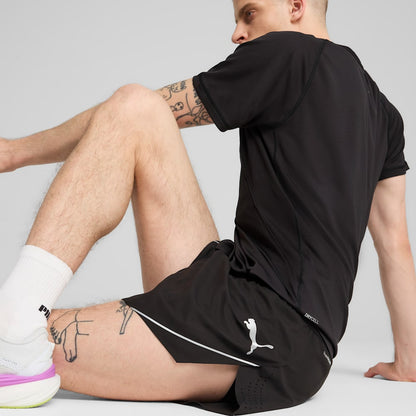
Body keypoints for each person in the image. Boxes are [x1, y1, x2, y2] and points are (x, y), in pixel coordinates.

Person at [0, 0, 415, 414]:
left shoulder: (288, 51)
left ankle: (14, 331)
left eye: (249, 13)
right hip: (249, 303)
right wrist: (409, 360)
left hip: (265, 327)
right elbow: (395, 247)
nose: (237, 33)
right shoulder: (385, 116)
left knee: (130, 107)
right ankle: (16, 323)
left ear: (295, 6)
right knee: (138, 107)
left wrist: (15, 152)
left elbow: (113, 120)